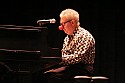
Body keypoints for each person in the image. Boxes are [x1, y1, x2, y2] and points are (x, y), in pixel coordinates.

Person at [43, 8, 95, 83]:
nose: (61, 27)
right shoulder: (67, 38)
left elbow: (77, 58)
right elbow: (65, 56)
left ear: (72, 22)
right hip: (71, 67)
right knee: (44, 74)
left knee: (52, 76)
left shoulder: (84, 36)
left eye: (63, 24)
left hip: (82, 68)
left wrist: (58, 59)